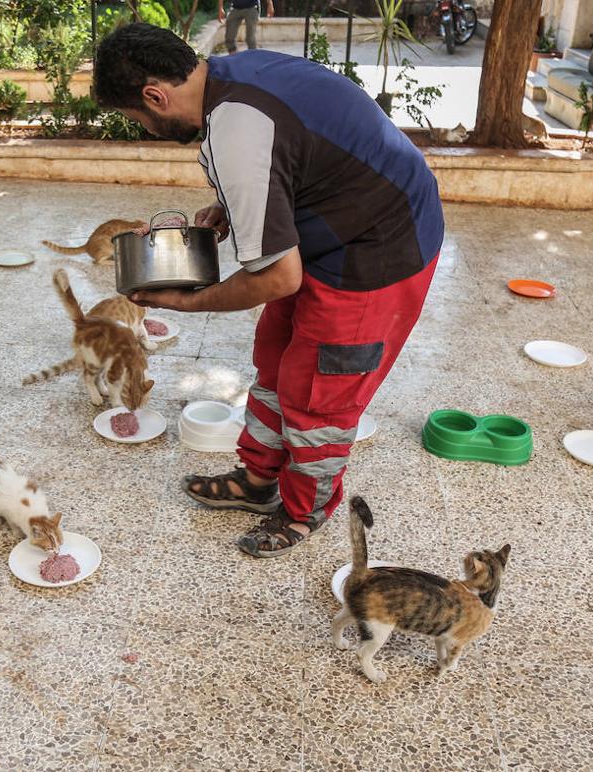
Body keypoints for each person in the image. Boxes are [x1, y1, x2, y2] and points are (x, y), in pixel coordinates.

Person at [92, 25, 443, 558]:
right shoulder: (228, 76)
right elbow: (288, 161)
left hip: (379, 249)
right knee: (277, 361)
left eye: (136, 118)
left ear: (154, 96)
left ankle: (307, 510)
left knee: (321, 395)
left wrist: (190, 302)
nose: (143, 129)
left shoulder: (238, 128)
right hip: (323, 231)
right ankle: (259, 481)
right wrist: (228, 212)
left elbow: (278, 278)